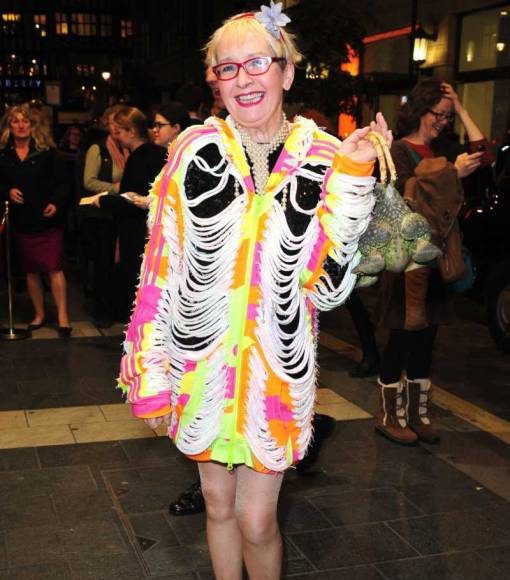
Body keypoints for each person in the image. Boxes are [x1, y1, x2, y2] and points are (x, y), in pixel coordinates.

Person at [118, 5, 390, 579]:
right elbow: (161, 265)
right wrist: (147, 370)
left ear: (286, 72)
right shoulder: (194, 150)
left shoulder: (326, 157)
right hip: (199, 362)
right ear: (216, 83)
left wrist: (353, 180)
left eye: (257, 63)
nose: (243, 78)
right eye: (228, 68)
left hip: (275, 371)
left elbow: (327, 287)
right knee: (217, 505)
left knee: (257, 519)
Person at [375, 79, 493, 446]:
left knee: (427, 340)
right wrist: (451, 173)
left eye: (447, 116)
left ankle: (416, 413)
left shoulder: (441, 149)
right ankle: (389, 415)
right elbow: (403, 194)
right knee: (401, 337)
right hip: (407, 259)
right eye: (438, 114)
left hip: (438, 256)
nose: (442, 122)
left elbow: (484, 153)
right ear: (419, 109)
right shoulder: (397, 149)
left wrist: (459, 105)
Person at [0, 103, 71, 336]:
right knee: (30, 270)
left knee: (54, 267)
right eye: (16, 121)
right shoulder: (4, 154)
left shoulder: (46, 152)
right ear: (9, 126)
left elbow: (64, 183)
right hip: (22, 219)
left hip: (47, 218)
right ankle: (39, 314)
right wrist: (7, 191)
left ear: (33, 125)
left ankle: (63, 316)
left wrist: (56, 203)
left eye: (25, 121)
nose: (21, 125)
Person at [96, 106, 166, 322]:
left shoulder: (139, 157)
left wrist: (104, 200)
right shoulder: (157, 152)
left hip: (138, 231)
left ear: (132, 131)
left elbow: (133, 200)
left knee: (138, 281)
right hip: (153, 228)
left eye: (119, 132)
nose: (116, 137)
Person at [78, 104, 129, 328]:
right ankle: (103, 310)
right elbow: (88, 182)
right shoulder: (97, 149)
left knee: (120, 264)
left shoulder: (128, 149)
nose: (116, 127)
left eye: (121, 123)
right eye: (113, 123)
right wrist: (115, 188)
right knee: (103, 264)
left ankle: (120, 308)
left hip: (122, 213)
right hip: (102, 216)